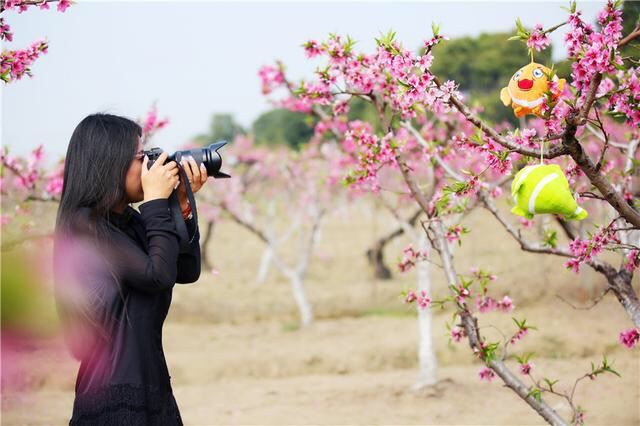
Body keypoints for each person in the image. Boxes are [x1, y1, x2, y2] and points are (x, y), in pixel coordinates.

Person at [53, 113, 208, 425]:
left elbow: (185, 270)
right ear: (110, 163)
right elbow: (157, 275)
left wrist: (180, 206)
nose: (151, 165)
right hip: (114, 398)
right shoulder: (84, 225)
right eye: (142, 157)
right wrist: (154, 202)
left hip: (151, 387)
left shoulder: (131, 222)